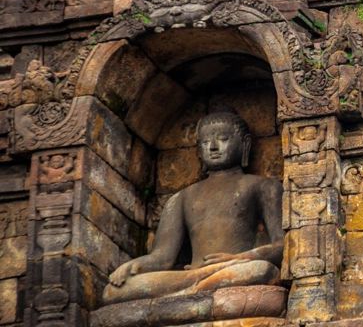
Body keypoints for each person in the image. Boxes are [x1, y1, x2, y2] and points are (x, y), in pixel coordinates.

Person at [103, 108, 283, 304]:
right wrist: (132, 266)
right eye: (205, 142)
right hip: (193, 275)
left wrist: (238, 259)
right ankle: (196, 289)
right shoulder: (181, 198)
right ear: (199, 150)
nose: (213, 147)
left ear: (245, 144)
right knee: (112, 292)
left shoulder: (263, 186)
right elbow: (163, 258)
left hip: (234, 269)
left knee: (260, 270)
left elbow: (282, 246)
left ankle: (187, 296)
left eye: (223, 139)